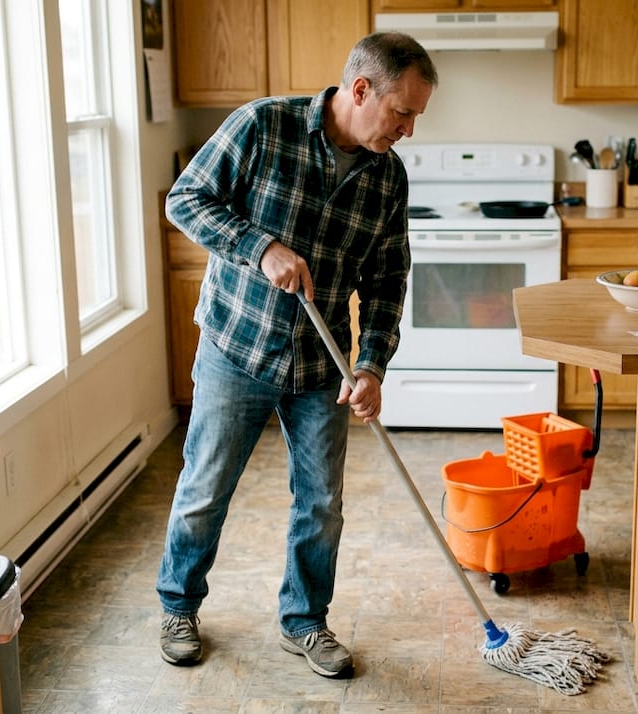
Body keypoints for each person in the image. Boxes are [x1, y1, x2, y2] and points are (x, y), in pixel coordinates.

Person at [156, 32, 437, 678]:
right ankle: (178, 607)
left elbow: (388, 279)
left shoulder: (387, 177)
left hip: (321, 365)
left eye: (415, 116)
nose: (409, 130)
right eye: (402, 113)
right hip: (237, 345)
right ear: (361, 90)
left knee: (321, 503)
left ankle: (305, 620)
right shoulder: (263, 126)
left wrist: (371, 365)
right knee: (206, 488)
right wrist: (259, 247)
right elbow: (185, 201)